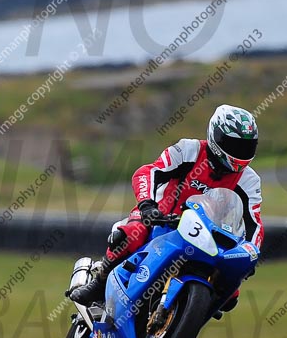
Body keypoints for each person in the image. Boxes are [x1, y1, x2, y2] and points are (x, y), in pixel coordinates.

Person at [69, 104, 263, 308]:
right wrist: (147, 205)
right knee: (131, 233)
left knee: (231, 296)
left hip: (210, 237)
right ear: (216, 137)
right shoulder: (189, 150)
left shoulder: (249, 180)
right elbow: (148, 172)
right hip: (162, 218)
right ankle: (100, 281)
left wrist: (250, 253)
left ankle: (188, 314)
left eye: (246, 146)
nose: (240, 152)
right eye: (234, 145)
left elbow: (254, 223)